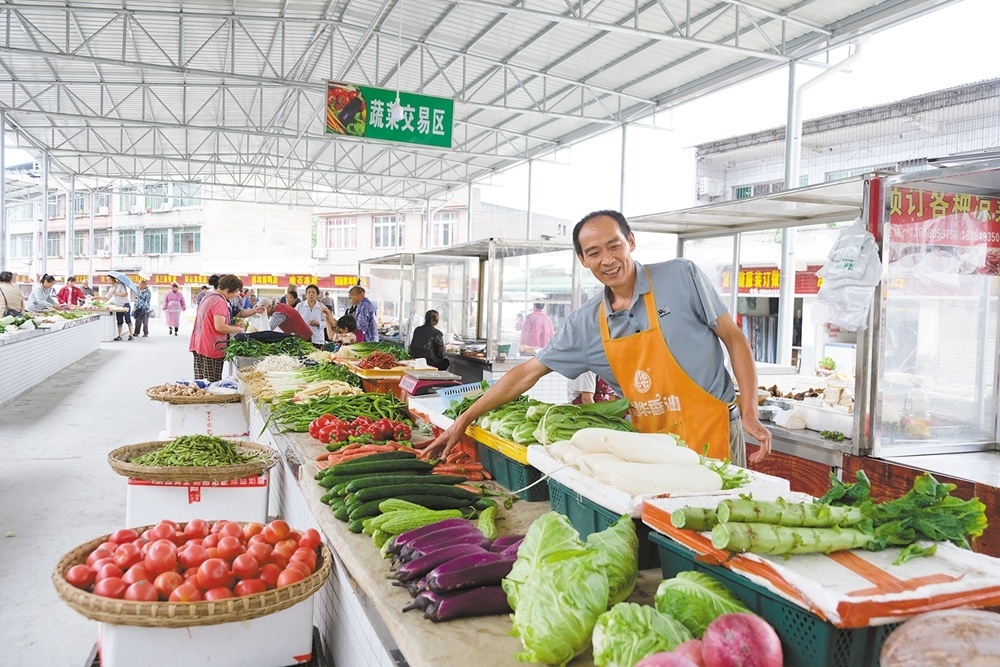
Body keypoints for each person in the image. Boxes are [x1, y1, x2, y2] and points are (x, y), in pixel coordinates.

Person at [426, 209, 772, 467]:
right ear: (582, 259)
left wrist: (750, 409)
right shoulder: (585, 323)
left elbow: (734, 338)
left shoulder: (682, 277)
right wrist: (463, 420)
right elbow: (525, 375)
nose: (607, 260)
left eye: (614, 245)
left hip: (714, 428)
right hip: (648, 445)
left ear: (631, 241)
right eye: (593, 252)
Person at [189, 274, 247, 382]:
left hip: (199, 344)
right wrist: (238, 329)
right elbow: (220, 327)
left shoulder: (209, 296)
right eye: (235, 292)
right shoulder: (220, 302)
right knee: (212, 385)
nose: (235, 295)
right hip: (211, 346)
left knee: (201, 384)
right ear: (228, 289)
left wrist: (233, 326)